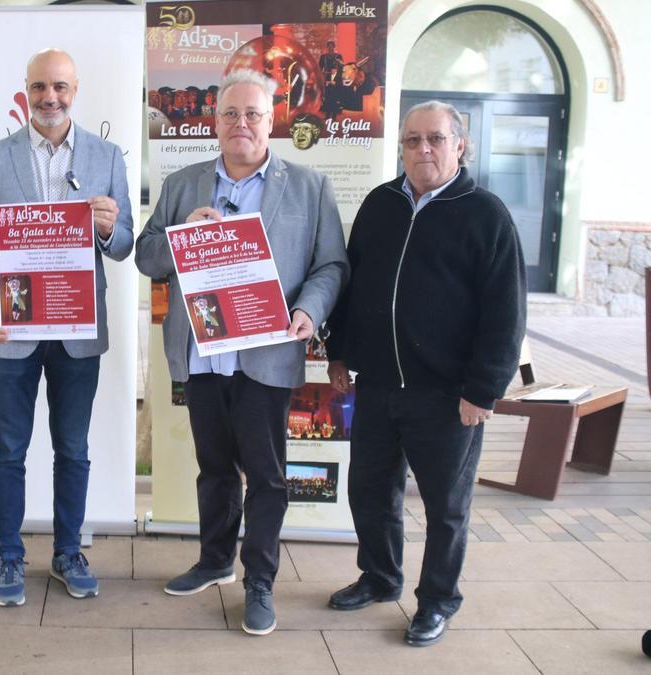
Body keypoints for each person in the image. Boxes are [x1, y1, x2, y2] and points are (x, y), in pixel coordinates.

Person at [134, 69, 347, 636]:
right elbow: (145, 255)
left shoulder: (309, 187)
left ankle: (259, 581)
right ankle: (214, 560)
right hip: (202, 355)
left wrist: (309, 310)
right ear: (215, 121)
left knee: (268, 476)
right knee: (214, 469)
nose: (241, 125)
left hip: (267, 352)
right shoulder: (182, 185)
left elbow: (331, 265)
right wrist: (181, 234)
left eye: (253, 114)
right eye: (230, 114)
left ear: (270, 120)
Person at [324, 101, 526, 647]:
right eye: (412, 140)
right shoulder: (381, 204)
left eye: (435, 139)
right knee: (369, 491)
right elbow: (351, 284)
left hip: (448, 395)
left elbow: (505, 314)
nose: (422, 150)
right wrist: (338, 352)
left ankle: (436, 601)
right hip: (379, 386)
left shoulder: (486, 215)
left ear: (460, 145)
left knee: (446, 507)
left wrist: (483, 390)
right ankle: (380, 577)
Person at [0, 47, 133, 607]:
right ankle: (10, 558)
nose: (50, 97)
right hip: (11, 333)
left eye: (59, 87)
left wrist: (107, 230)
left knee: (73, 449)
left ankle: (67, 552)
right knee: (8, 448)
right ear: (26, 91)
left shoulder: (108, 157)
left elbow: (126, 242)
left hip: (77, 333)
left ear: (75, 90)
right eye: (39, 87)